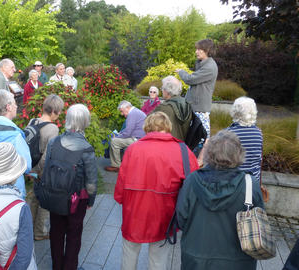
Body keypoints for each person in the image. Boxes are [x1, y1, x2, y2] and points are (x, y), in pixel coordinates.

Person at [114, 112, 199, 270]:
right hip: (165, 213)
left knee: (130, 251)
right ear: (168, 127)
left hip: (135, 210)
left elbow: (121, 183)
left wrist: (120, 198)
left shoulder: (133, 149)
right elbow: (194, 182)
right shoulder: (182, 150)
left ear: (147, 127)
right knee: (159, 257)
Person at [176, 130, 264, 270]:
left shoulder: (192, 181)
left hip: (197, 257)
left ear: (209, 153)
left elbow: (181, 220)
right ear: (239, 154)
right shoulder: (250, 183)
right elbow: (260, 222)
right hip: (239, 260)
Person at [46, 104, 98, 270]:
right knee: (74, 234)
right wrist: (91, 199)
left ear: (67, 119)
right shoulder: (87, 148)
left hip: (55, 194)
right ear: (85, 122)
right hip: (78, 197)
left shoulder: (53, 142)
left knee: (56, 232)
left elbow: (47, 169)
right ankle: (69, 267)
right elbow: (91, 179)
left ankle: (57, 266)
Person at [175, 38, 218, 164]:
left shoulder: (209, 67)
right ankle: (191, 160)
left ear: (207, 50)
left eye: (199, 49)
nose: (196, 52)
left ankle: (200, 161)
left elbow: (189, 79)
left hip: (200, 108)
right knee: (194, 135)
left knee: (204, 135)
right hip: (195, 106)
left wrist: (181, 72)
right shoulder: (204, 64)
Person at [28, 94, 64, 241]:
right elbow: (47, 155)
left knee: (35, 197)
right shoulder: (53, 128)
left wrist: (31, 169)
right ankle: (40, 232)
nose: (60, 114)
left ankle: (29, 227)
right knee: (45, 201)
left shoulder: (33, 121)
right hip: (43, 170)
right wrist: (37, 171)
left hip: (32, 165)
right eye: (60, 111)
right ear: (54, 110)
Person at [225, 97, 263, 180]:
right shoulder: (259, 133)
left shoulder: (227, 134)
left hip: (233, 183)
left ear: (234, 112)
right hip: (253, 183)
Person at [105, 100, 146, 172]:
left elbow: (127, 133)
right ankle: (120, 160)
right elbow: (128, 129)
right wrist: (120, 133)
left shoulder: (132, 114)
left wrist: (117, 137)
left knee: (114, 141)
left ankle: (116, 166)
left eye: (122, 111)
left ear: (127, 107)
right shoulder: (135, 112)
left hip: (137, 139)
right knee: (116, 138)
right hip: (141, 138)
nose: (122, 114)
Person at [153, 76, 192, 142]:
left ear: (167, 92)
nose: (162, 91)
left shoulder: (163, 107)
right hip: (182, 146)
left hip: (166, 144)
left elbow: (149, 123)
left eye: (162, 89)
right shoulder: (188, 105)